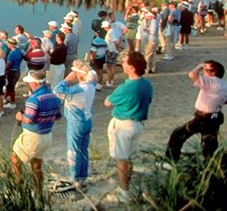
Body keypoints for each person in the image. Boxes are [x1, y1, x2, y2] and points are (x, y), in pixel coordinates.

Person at [104, 51, 153, 202]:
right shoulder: (147, 84)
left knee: (121, 159)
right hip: (137, 124)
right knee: (128, 157)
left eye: (125, 62)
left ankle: (124, 191)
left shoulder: (126, 88)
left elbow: (107, 102)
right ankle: (127, 185)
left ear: (132, 67)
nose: (122, 64)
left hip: (123, 125)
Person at [165, 60, 227, 163]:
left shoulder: (211, 82)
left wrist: (199, 66)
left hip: (203, 117)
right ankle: (209, 164)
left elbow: (192, 74)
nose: (203, 72)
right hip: (215, 116)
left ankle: (170, 160)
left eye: (205, 70)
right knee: (209, 142)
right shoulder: (224, 85)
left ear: (212, 72)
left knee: (178, 134)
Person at [11, 69, 62, 191]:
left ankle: (19, 189)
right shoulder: (54, 97)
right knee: (36, 165)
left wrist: (20, 117)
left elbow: (28, 119)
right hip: (47, 135)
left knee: (15, 160)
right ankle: (37, 191)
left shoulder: (34, 99)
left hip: (33, 135)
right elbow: (58, 117)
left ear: (34, 83)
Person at [53, 61, 97, 191]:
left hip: (76, 122)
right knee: (83, 150)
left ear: (80, 75)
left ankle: (75, 178)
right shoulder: (91, 87)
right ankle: (82, 176)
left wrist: (66, 80)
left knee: (73, 151)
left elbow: (57, 91)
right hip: (87, 120)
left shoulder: (78, 90)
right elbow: (94, 78)